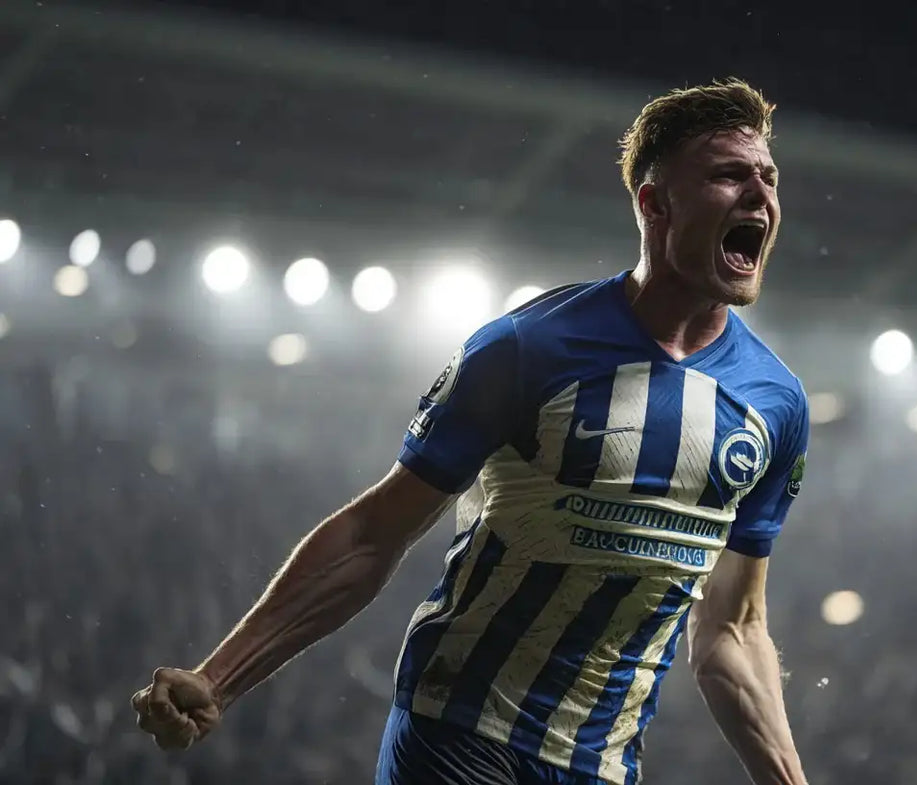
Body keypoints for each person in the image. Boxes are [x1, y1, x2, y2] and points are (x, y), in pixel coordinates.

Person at [131, 78, 811, 785]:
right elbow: (373, 533)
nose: (759, 196)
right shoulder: (530, 347)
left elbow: (733, 628)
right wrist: (219, 677)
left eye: (768, 178)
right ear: (654, 204)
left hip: (601, 763)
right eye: (729, 175)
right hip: (457, 732)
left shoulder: (776, 404)